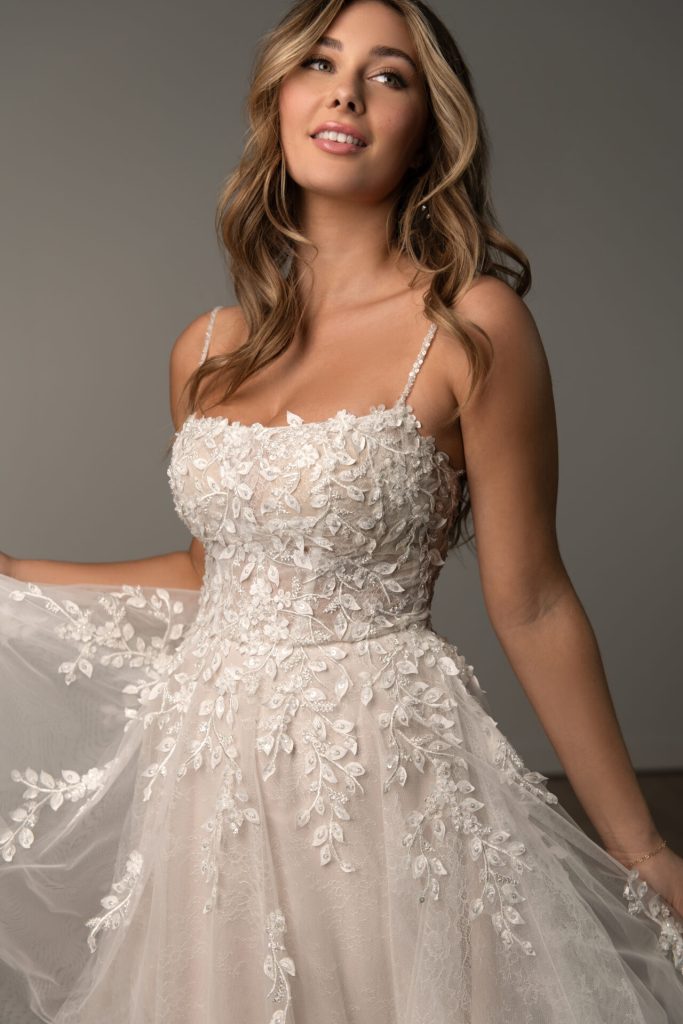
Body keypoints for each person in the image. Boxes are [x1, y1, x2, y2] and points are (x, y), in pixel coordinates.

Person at [1, 0, 681, 1021]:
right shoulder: (206, 348)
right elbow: (211, 575)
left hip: (376, 776)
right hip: (211, 789)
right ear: (278, 98)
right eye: (318, 64)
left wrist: (642, 850)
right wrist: (15, 573)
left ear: (427, 131)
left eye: (387, 75)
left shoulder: (471, 326)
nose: (346, 93)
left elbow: (533, 601)